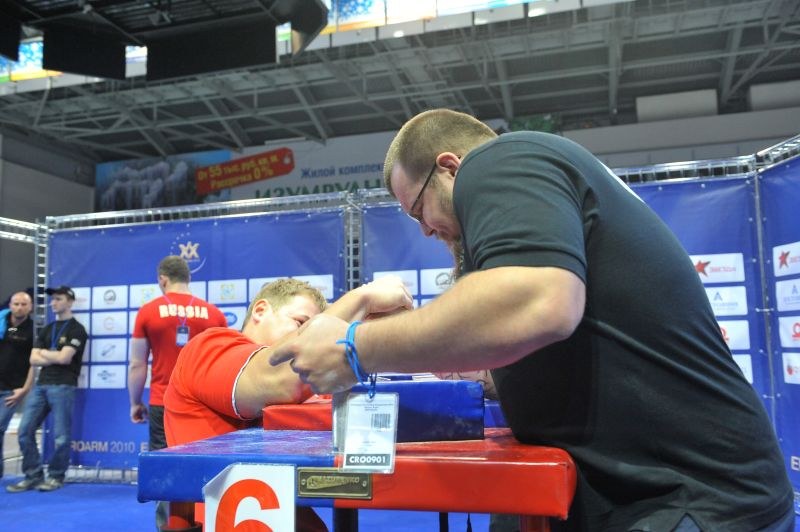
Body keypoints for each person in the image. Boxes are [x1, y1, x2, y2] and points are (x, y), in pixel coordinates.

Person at [271, 109, 795, 531]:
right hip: (648, 496)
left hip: (692, 499)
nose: (426, 231)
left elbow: (540, 302)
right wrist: (483, 370)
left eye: (417, 210)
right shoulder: (542, 193)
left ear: (450, 167)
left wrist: (356, 346)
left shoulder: (502, 158)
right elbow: (573, 334)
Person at [163, 276, 412, 532]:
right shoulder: (209, 346)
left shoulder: (309, 382)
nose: (315, 341)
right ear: (260, 311)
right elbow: (279, 379)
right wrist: (362, 297)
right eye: (302, 324)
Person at [128, 255, 228, 452]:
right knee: (200, 458)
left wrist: (135, 402)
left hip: (163, 400)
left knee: (162, 463)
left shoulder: (148, 312)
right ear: (187, 278)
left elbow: (137, 365)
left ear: (163, 279)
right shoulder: (214, 314)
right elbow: (222, 364)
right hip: (204, 403)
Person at [7, 285, 87, 493]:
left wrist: (46, 354)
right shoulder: (47, 329)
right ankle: (32, 475)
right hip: (41, 385)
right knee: (24, 431)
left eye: (59, 299)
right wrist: (52, 354)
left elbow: (65, 358)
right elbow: (33, 358)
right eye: (53, 300)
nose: (54, 303)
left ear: (69, 301)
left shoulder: (76, 329)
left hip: (63, 386)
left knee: (61, 436)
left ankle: (56, 476)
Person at [0, 291, 34, 479]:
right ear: (10, 305)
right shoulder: (2, 324)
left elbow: (34, 363)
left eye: (23, 304)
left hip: (13, 389)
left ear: (30, 307)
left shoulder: (33, 330)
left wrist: (25, 389)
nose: (19, 307)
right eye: (16, 304)